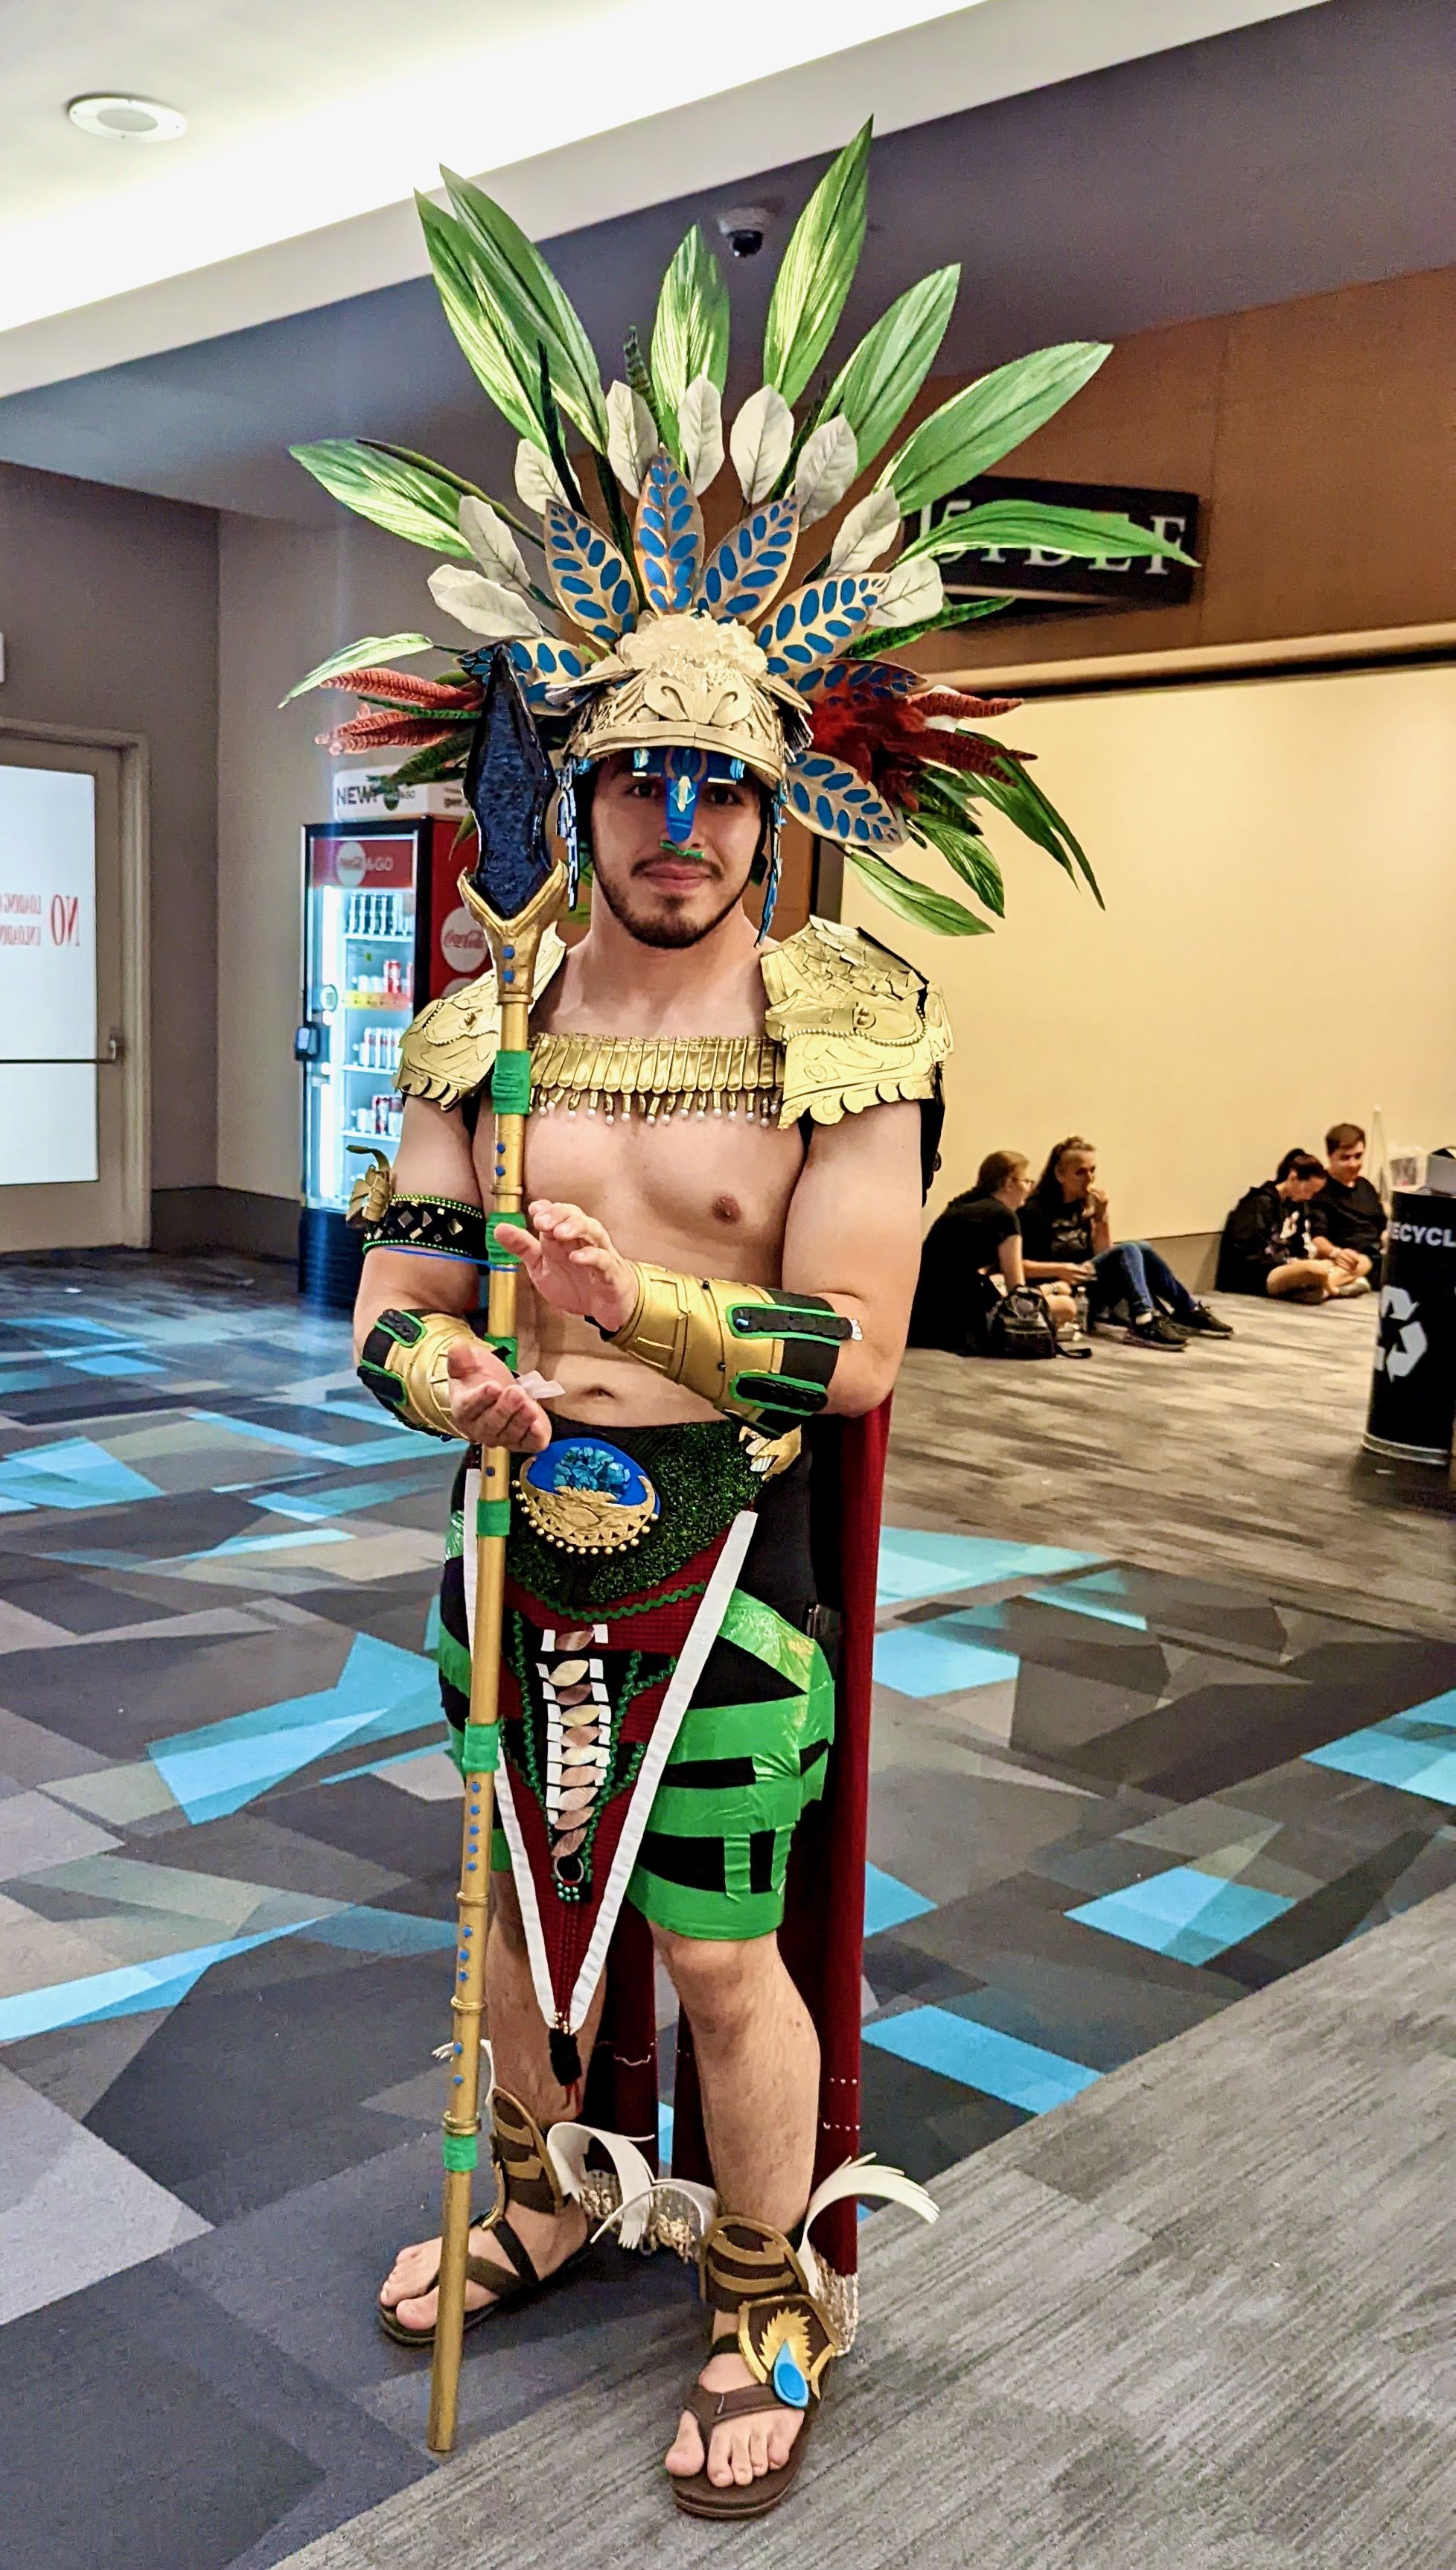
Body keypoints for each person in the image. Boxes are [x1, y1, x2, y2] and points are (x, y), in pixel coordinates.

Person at [303, 137, 1181, 2521]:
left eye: (717, 779)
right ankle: (552, 2182)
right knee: (498, 1913)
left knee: (712, 1949)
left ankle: (772, 2274)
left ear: (772, 802)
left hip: (719, 1560)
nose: (674, 817)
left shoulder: (844, 1017)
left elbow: (866, 1343)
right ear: (575, 792)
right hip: (504, 1530)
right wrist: (447, 1369)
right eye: (632, 777)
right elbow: (386, 1283)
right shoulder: (476, 1020)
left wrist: (645, 1306)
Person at [1021, 1136, 1233, 1348]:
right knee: (1129, 1249)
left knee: (1140, 1247)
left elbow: (1104, 1252)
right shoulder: (1034, 1211)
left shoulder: (1080, 1207)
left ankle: (1188, 1309)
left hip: (1086, 1283)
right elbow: (1016, 1266)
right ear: (1059, 1174)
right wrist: (1060, 1269)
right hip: (1057, 1285)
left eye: (1093, 1170)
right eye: (1080, 1172)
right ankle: (1144, 1320)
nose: (1090, 1178)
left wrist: (1102, 1217)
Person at [909, 1150, 1077, 1351]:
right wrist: (1054, 1287)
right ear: (1009, 1183)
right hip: (959, 1322)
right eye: (1026, 1182)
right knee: (1067, 1306)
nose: (1029, 1189)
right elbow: (1019, 1293)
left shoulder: (962, 1204)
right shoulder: (1005, 1217)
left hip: (921, 1314)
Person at [1218, 1148, 1376, 1301]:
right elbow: (1248, 1253)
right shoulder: (1259, 1203)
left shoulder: (1297, 1205)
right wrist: (1289, 1262)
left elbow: (1299, 1245)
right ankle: (1330, 1288)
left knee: (1362, 1261)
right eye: (1308, 1190)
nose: (1309, 1197)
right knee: (1316, 1270)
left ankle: (1318, 1289)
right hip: (1261, 1273)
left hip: (1291, 1265)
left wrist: (1309, 1258)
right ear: (1293, 1178)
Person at [1311, 1122, 1386, 1283]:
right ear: (1330, 1155)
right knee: (1363, 1261)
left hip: (1377, 1254)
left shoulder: (1366, 1186)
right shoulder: (1320, 1190)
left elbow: (1382, 1226)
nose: (1353, 1164)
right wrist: (1336, 1253)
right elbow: (1316, 1237)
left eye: (1358, 1156)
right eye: (1345, 1158)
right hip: (1348, 1258)